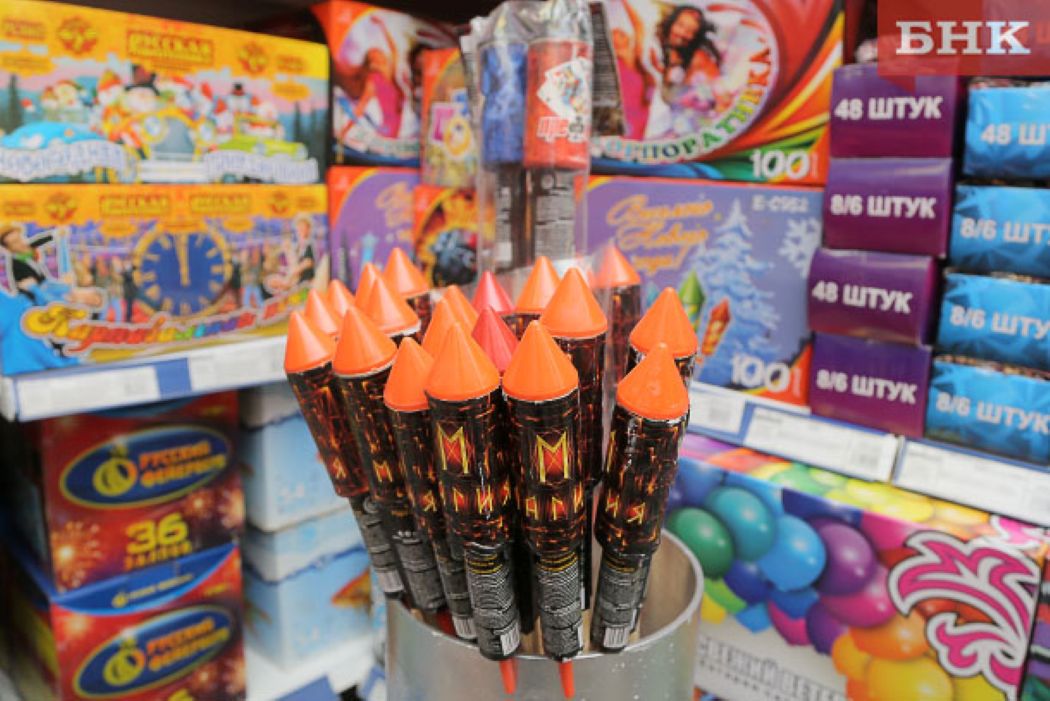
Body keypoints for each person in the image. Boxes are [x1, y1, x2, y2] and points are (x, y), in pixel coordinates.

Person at [0, 225, 101, 307]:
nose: (21, 243)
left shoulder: (67, 299)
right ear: (9, 248)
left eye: (20, 238)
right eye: (15, 242)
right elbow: (64, 263)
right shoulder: (16, 263)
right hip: (31, 298)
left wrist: (34, 288)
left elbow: (49, 302)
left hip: (37, 296)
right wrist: (61, 238)